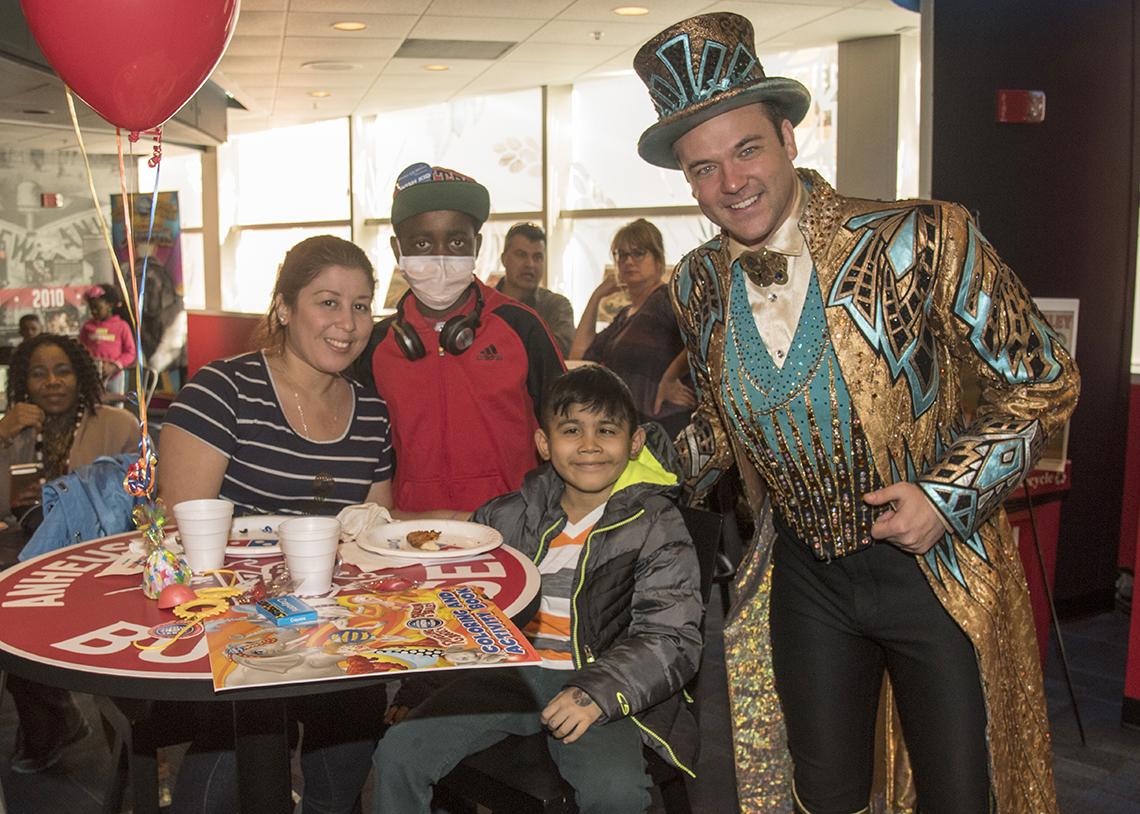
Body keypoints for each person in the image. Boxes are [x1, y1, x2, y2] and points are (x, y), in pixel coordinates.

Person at [632, 13, 1079, 814]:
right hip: (807, 576)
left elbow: (1044, 380)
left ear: (790, 137)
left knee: (960, 792)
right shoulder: (695, 284)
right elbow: (724, 428)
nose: (730, 183)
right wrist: (622, 470)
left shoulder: (921, 236)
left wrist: (946, 497)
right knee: (823, 790)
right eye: (703, 169)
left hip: (935, 570)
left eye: (747, 150)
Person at [372, 365, 702, 813]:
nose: (589, 445)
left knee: (617, 792)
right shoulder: (507, 516)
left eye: (606, 430)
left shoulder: (655, 525)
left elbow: (672, 637)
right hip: (509, 678)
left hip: (597, 685)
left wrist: (598, 693)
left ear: (635, 442)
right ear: (544, 443)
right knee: (398, 754)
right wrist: (418, 692)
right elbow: (454, 606)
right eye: (571, 430)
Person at [158, 235, 393, 813]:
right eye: (328, 302)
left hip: (330, 626)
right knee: (225, 766)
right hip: (230, 627)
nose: (347, 322)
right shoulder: (222, 391)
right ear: (285, 308)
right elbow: (179, 534)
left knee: (356, 722)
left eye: (361, 305)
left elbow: (373, 536)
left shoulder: (372, 413)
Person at [356, 162, 565, 513]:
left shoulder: (521, 328)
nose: (440, 257)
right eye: (421, 243)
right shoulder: (376, 345)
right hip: (409, 532)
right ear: (397, 250)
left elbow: (567, 427)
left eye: (456, 241)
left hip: (509, 529)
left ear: (477, 245)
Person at [0, 333, 139, 774]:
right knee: (15, 633)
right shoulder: (15, 427)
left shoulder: (118, 424)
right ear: (23, 382)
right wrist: (3, 434)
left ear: (81, 376)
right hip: (26, 553)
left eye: (62, 371)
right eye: (38, 374)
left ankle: (136, 754)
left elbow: (141, 499)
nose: (52, 382)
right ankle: (52, 726)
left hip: (104, 557)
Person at [568, 219, 694, 438]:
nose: (628, 261)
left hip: (667, 426)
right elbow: (579, 356)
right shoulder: (624, 315)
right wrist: (595, 297)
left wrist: (671, 377)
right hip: (632, 426)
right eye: (621, 254)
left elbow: (703, 337)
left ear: (658, 259)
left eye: (638, 253)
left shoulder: (666, 298)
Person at [495, 222, 575, 356]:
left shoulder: (556, 306)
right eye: (521, 255)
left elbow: (559, 351)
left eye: (537, 257)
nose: (530, 264)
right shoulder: (482, 303)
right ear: (504, 259)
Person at [79, 283, 136, 395]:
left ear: (110, 305)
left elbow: (130, 352)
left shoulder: (122, 326)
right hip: (92, 376)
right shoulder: (87, 327)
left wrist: (115, 366)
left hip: (115, 375)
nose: (94, 311)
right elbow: (81, 348)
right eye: (91, 308)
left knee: (116, 404)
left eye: (97, 308)